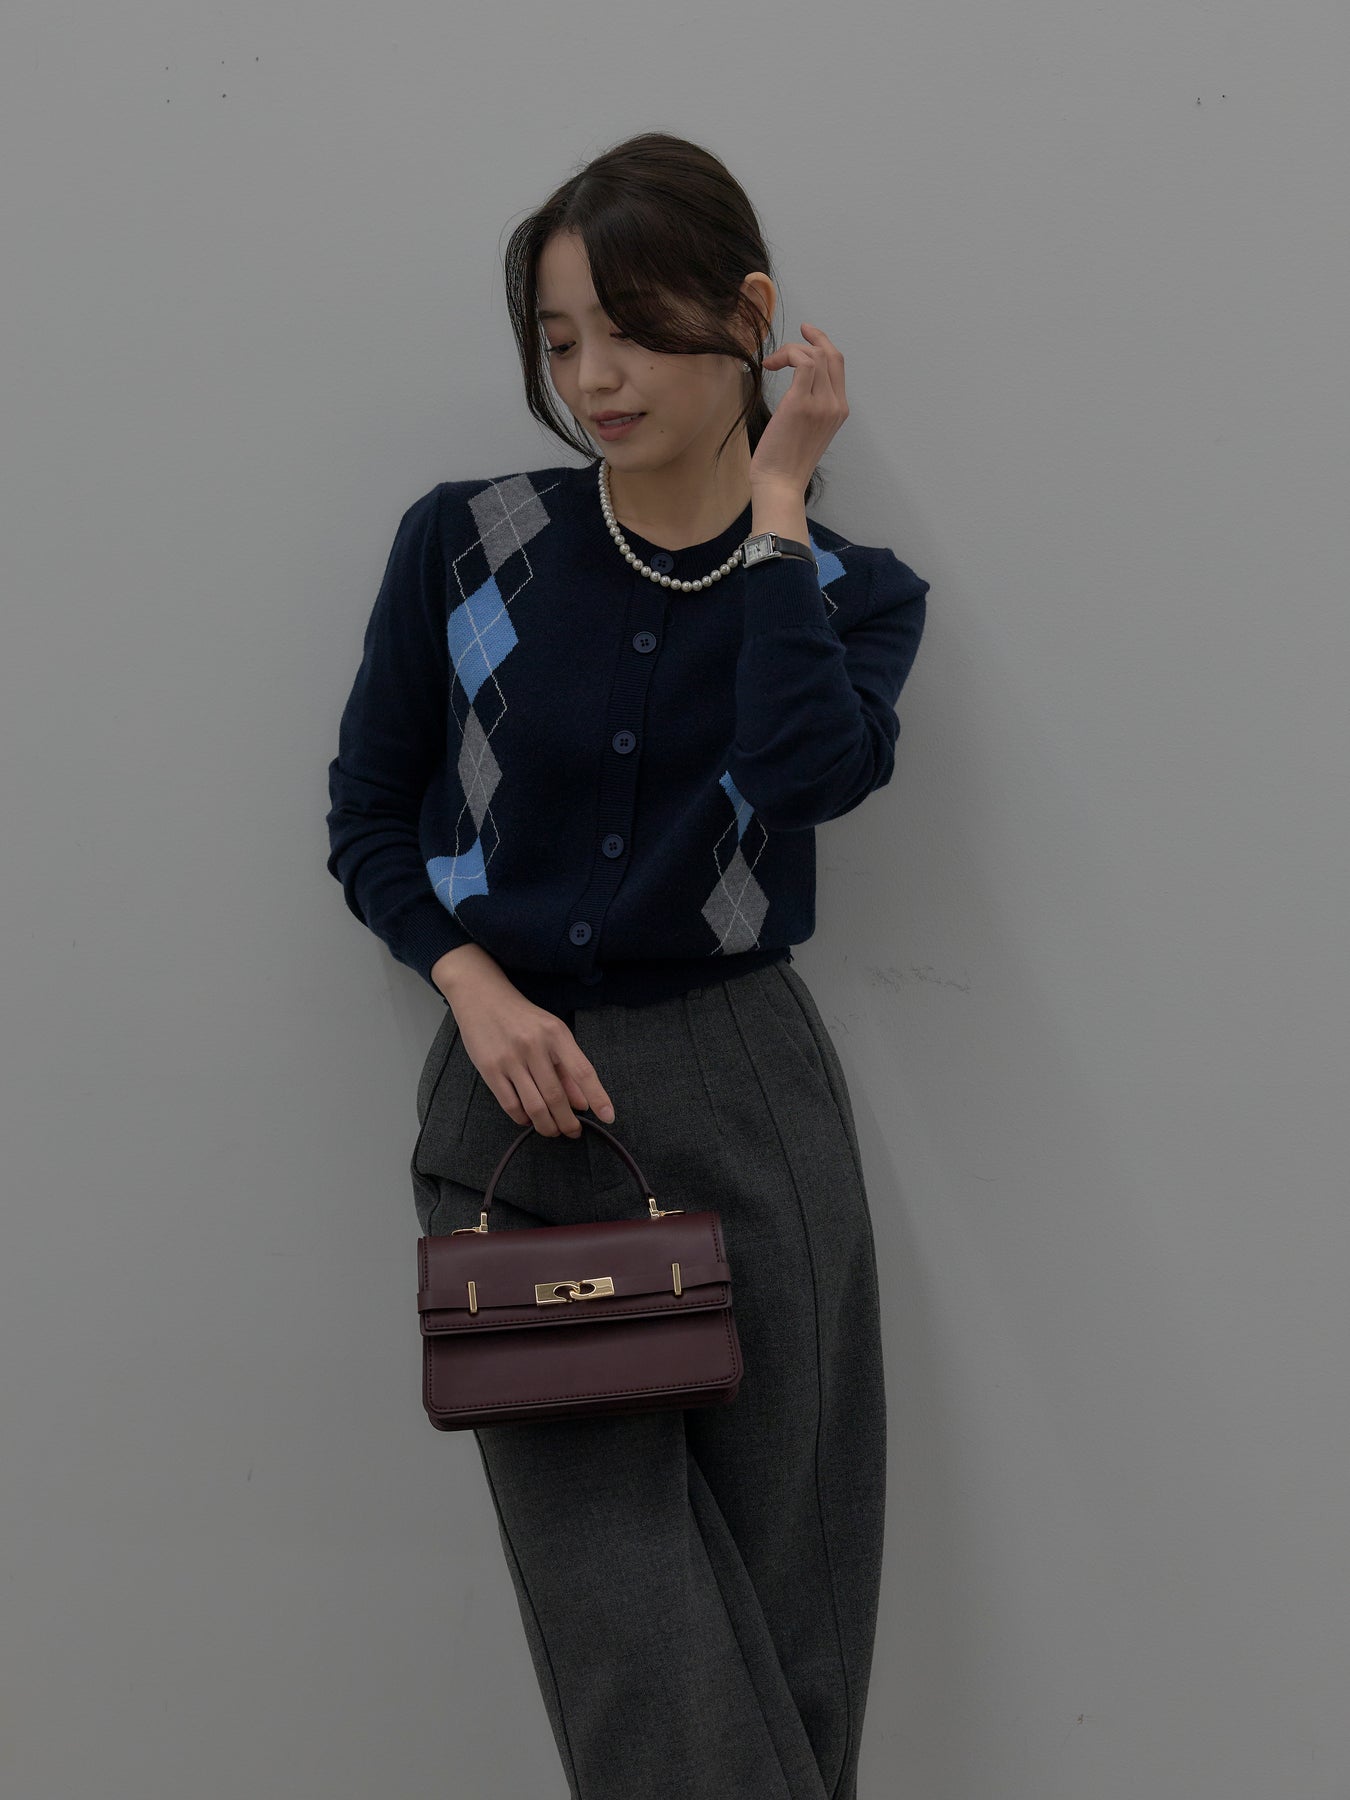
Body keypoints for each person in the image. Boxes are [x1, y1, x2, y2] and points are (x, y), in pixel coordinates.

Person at [325, 130, 929, 1800]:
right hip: (515, 1115)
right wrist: (471, 983)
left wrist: (779, 510)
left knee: (797, 1605)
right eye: (557, 338)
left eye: (634, 330)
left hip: (748, 1094)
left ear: (747, 317)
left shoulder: (847, 595)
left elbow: (804, 775)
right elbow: (367, 815)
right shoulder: (470, 542)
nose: (592, 377)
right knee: (627, 1630)